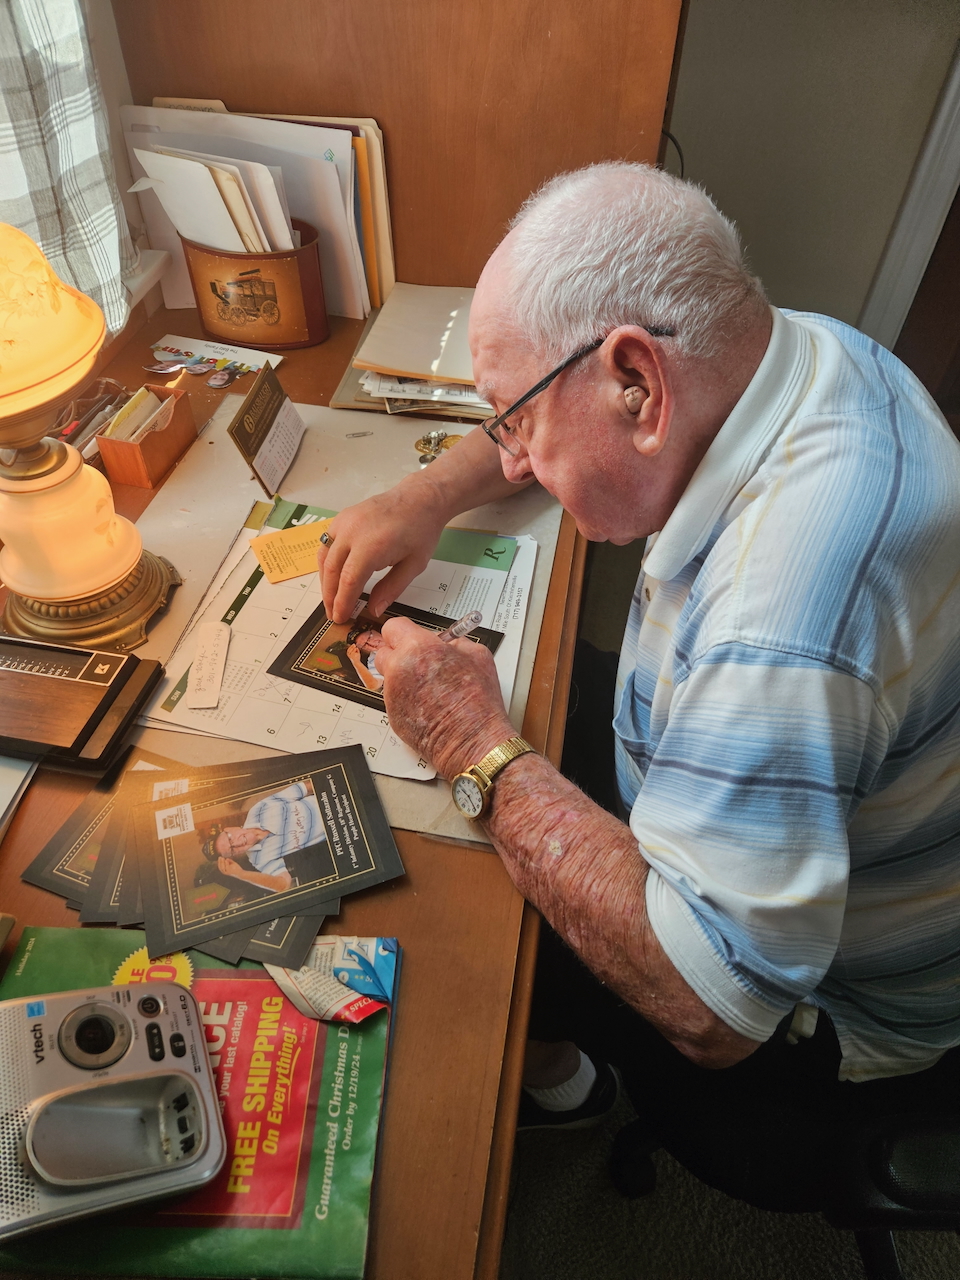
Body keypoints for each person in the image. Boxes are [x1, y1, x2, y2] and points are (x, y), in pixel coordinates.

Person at [316, 163, 960, 1182]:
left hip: (813, 1035)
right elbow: (556, 391)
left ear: (638, 385)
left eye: (516, 423)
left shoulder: (780, 625)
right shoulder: (786, 351)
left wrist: (468, 740)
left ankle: (562, 1081)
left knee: (455, 921)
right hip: (793, 803)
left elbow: (713, 1007)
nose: (512, 461)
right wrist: (429, 494)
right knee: (534, 697)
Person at [201, 781, 328, 894]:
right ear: (235, 856)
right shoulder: (259, 859)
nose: (237, 843)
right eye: (232, 849)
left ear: (229, 828)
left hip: (328, 798)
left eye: (230, 838)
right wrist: (240, 874)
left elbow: (303, 788)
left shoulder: (258, 809)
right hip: (335, 827)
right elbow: (284, 884)